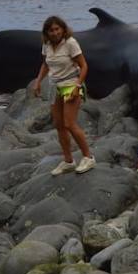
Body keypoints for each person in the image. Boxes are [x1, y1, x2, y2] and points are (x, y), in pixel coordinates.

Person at [30, 16, 96, 175]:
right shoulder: (46, 45)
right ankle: (68, 161)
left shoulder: (70, 43)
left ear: (63, 29)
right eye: (51, 30)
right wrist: (38, 81)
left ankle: (88, 157)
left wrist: (78, 85)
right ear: (46, 33)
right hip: (55, 86)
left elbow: (84, 65)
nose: (54, 33)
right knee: (59, 125)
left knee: (69, 123)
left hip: (71, 84)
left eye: (57, 29)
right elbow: (46, 64)